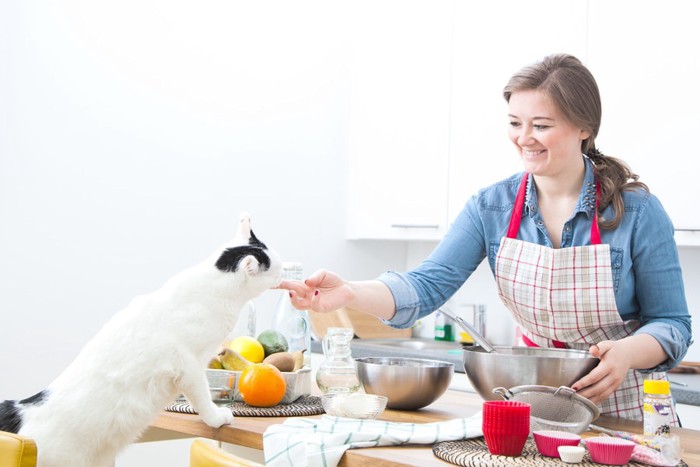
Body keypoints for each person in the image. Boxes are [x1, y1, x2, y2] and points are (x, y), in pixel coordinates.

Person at [280, 54, 693, 421]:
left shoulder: (636, 212)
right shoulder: (491, 207)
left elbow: (673, 324)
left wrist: (626, 354)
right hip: (526, 410)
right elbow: (425, 286)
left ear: (585, 126)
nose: (523, 138)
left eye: (541, 125)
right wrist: (348, 292)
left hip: (623, 413)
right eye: (515, 123)